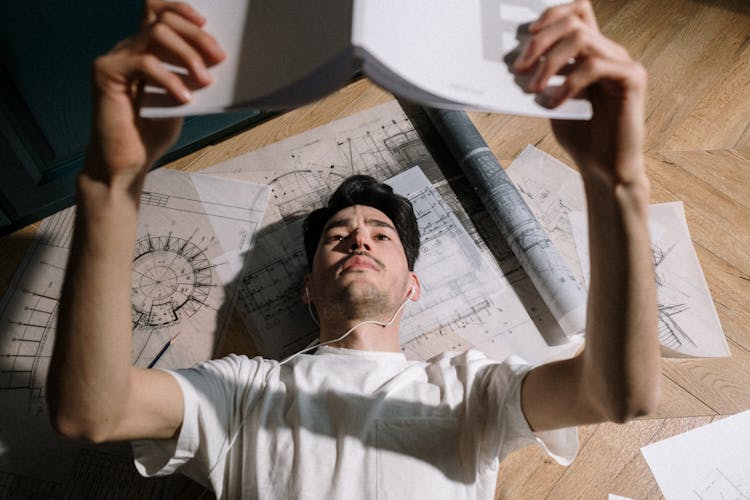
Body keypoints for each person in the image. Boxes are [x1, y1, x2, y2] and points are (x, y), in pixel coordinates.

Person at [46, 0, 661, 498]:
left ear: (412, 286)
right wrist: (110, 184)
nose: (359, 237)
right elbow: (92, 412)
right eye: (338, 238)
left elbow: (618, 394)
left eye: (380, 234)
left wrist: (619, 181)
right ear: (309, 288)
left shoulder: (472, 390)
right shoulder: (245, 392)